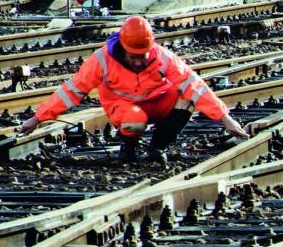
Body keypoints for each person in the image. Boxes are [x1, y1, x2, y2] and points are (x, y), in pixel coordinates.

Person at [15, 14, 249, 160]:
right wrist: (38, 118)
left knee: (187, 95)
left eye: (143, 56)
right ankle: (127, 149)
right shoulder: (102, 59)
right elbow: (72, 90)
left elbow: (194, 85)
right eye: (133, 56)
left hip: (157, 103)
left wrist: (225, 118)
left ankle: (158, 148)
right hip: (124, 108)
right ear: (123, 47)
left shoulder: (163, 57)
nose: (139, 61)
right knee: (134, 120)